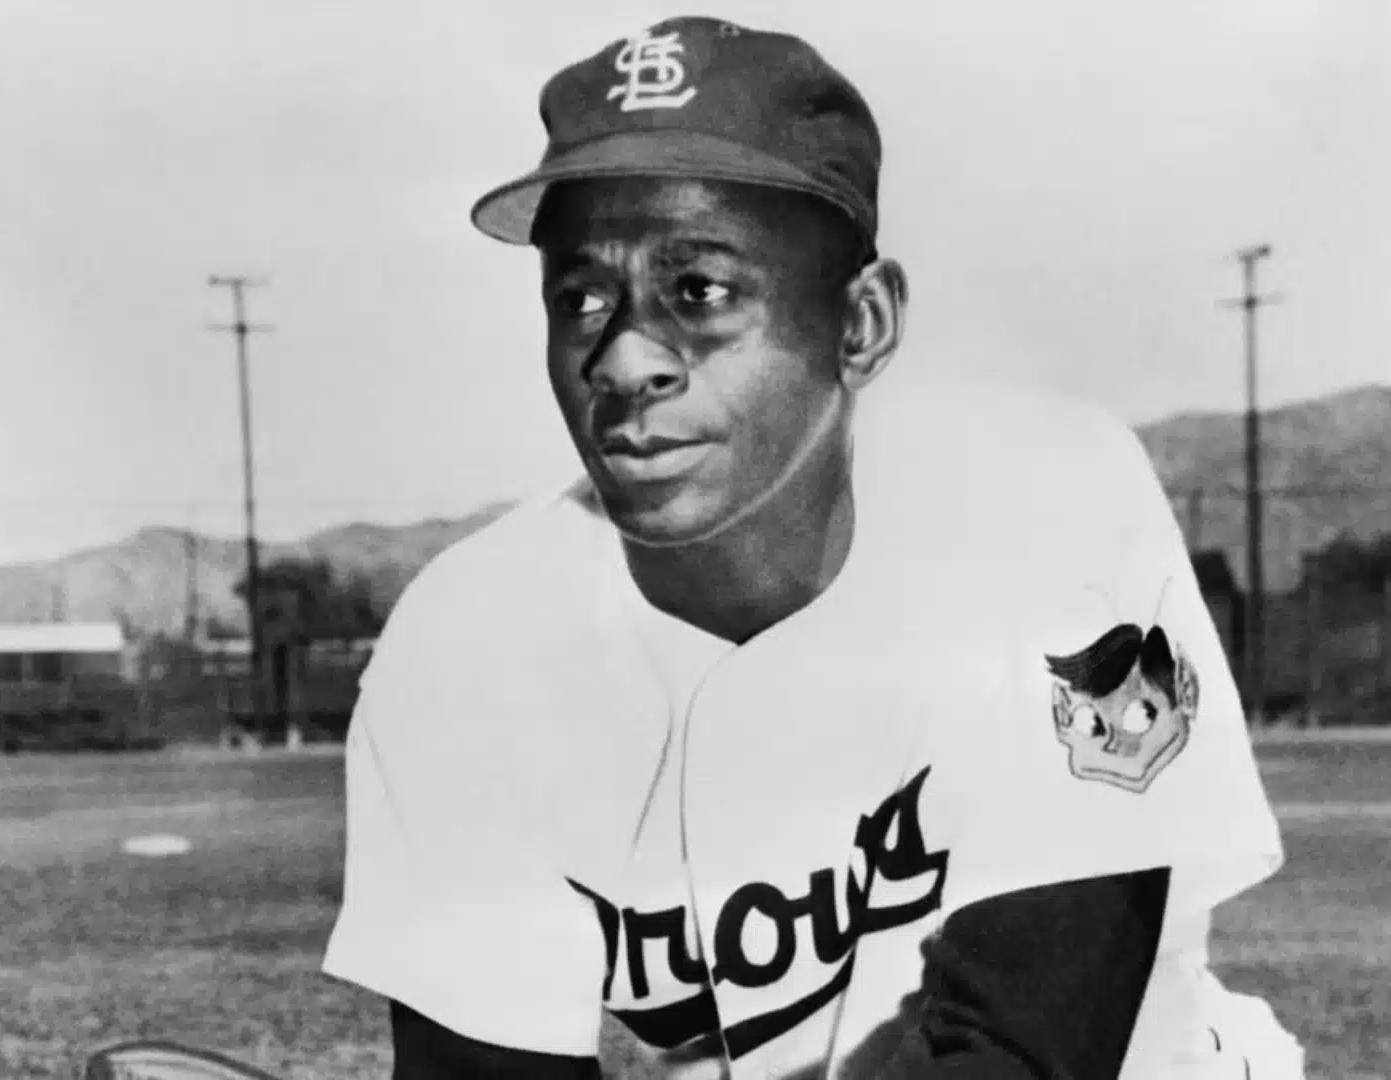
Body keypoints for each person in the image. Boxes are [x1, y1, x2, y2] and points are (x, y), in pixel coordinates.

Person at [322, 15, 1305, 1079]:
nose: (623, 358)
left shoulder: (1044, 506)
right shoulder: (466, 646)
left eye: (698, 291)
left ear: (863, 325)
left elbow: (1026, 1051)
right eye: (581, 298)